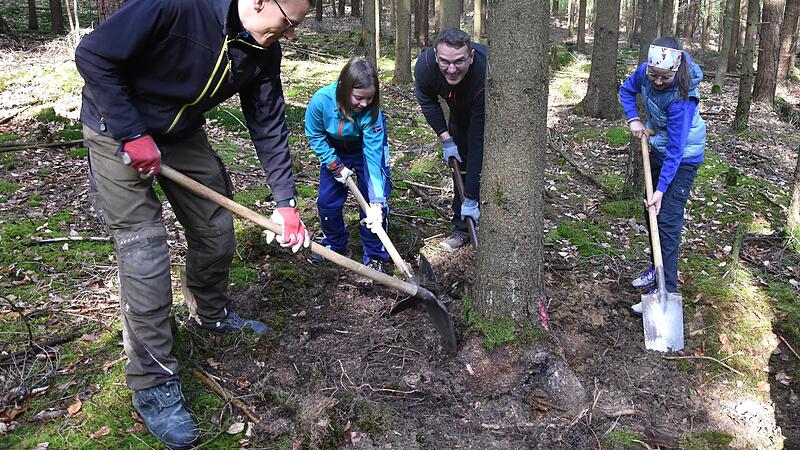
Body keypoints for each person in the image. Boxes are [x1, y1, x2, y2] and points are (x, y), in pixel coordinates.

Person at [74, 0, 312, 447]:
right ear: (260, 1)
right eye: (289, 23)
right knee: (144, 250)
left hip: (179, 132)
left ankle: (211, 312)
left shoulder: (264, 49)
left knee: (217, 230)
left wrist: (285, 202)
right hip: (115, 126)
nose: (290, 35)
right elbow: (93, 53)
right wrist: (131, 131)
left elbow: (268, 122)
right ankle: (152, 382)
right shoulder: (178, 6)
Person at [619, 36, 706, 313]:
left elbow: (676, 152)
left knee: (666, 219)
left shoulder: (683, 99)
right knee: (651, 213)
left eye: (663, 78)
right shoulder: (645, 72)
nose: (656, 82)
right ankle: (656, 269)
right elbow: (625, 90)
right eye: (653, 76)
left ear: (676, 71)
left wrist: (661, 190)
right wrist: (633, 118)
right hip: (657, 147)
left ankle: (667, 288)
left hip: (683, 159)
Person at [305, 58, 391, 272]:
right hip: (334, 151)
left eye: (370, 98)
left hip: (365, 151)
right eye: (359, 98)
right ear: (344, 89)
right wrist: (334, 165)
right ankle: (335, 243)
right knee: (327, 202)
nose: (364, 104)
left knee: (372, 206)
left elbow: (373, 158)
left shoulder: (372, 114)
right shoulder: (322, 101)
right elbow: (314, 135)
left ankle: (374, 254)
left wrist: (377, 202)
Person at [414, 28, 486, 251]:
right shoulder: (426, 66)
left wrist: (471, 197)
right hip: (457, 108)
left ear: (471, 56)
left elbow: (477, 143)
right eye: (445, 62)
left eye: (459, 61)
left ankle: (478, 212)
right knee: (460, 165)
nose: (452, 69)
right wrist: (446, 139)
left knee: (477, 160)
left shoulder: (484, 74)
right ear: (436, 56)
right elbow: (427, 101)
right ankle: (461, 228)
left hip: (484, 107)